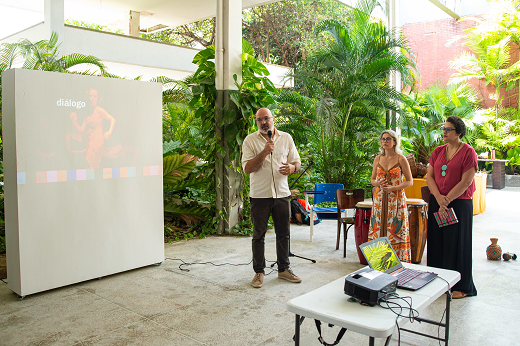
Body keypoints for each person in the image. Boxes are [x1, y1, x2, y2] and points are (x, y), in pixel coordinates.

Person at [242, 108, 302, 288]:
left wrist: (293, 168)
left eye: (266, 118)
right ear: (256, 122)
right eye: (259, 120)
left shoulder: (286, 138)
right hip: (260, 195)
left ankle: (284, 269)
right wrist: (264, 151)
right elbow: (247, 168)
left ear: (273, 119)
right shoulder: (250, 141)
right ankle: (259, 272)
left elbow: (297, 162)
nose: (263, 122)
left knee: (283, 233)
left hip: (282, 194)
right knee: (258, 235)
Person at [426, 115, 477, 299]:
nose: (444, 132)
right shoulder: (438, 151)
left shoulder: (468, 152)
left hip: (459, 202)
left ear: (459, 133)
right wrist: (439, 198)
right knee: (437, 242)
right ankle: (438, 282)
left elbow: (466, 182)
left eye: (449, 129)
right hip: (437, 202)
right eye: (444, 129)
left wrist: (446, 200)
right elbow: (429, 176)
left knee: (457, 244)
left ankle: (461, 286)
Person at [369, 130, 413, 262]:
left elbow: (410, 181)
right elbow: (372, 179)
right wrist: (377, 183)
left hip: (396, 200)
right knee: (378, 228)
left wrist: (394, 188)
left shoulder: (401, 159)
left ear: (394, 141)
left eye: (388, 139)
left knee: (395, 228)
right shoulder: (377, 159)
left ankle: (398, 261)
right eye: (383, 139)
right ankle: (379, 261)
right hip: (379, 199)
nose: (385, 141)